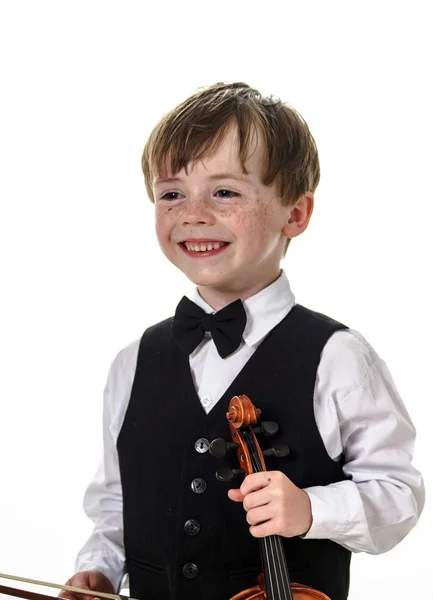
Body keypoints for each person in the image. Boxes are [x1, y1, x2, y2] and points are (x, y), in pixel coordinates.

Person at [61, 82, 424, 600]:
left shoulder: (338, 357)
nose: (193, 213)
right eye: (171, 194)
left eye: (225, 192)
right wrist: (97, 568)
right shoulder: (132, 361)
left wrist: (312, 510)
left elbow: (399, 495)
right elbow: (118, 505)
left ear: (295, 215)